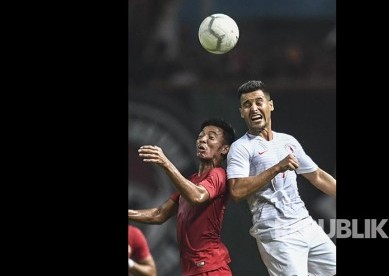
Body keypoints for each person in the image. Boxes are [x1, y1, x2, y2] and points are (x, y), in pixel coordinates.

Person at [226, 80, 336, 276]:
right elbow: (236, 191)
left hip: (306, 225)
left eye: (259, 102)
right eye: (247, 104)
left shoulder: (288, 141)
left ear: (271, 105)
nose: (253, 108)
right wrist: (277, 168)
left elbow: (317, 176)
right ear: (242, 112)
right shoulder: (241, 148)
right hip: (277, 235)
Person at [128, 118, 236, 276]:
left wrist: (166, 163)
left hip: (211, 268)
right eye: (201, 136)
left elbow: (197, 197)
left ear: (224, 149)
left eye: (211, 137)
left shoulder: (218, 174)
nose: (203, 139)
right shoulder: (191, 182)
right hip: (192, 269)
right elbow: (159, 214)